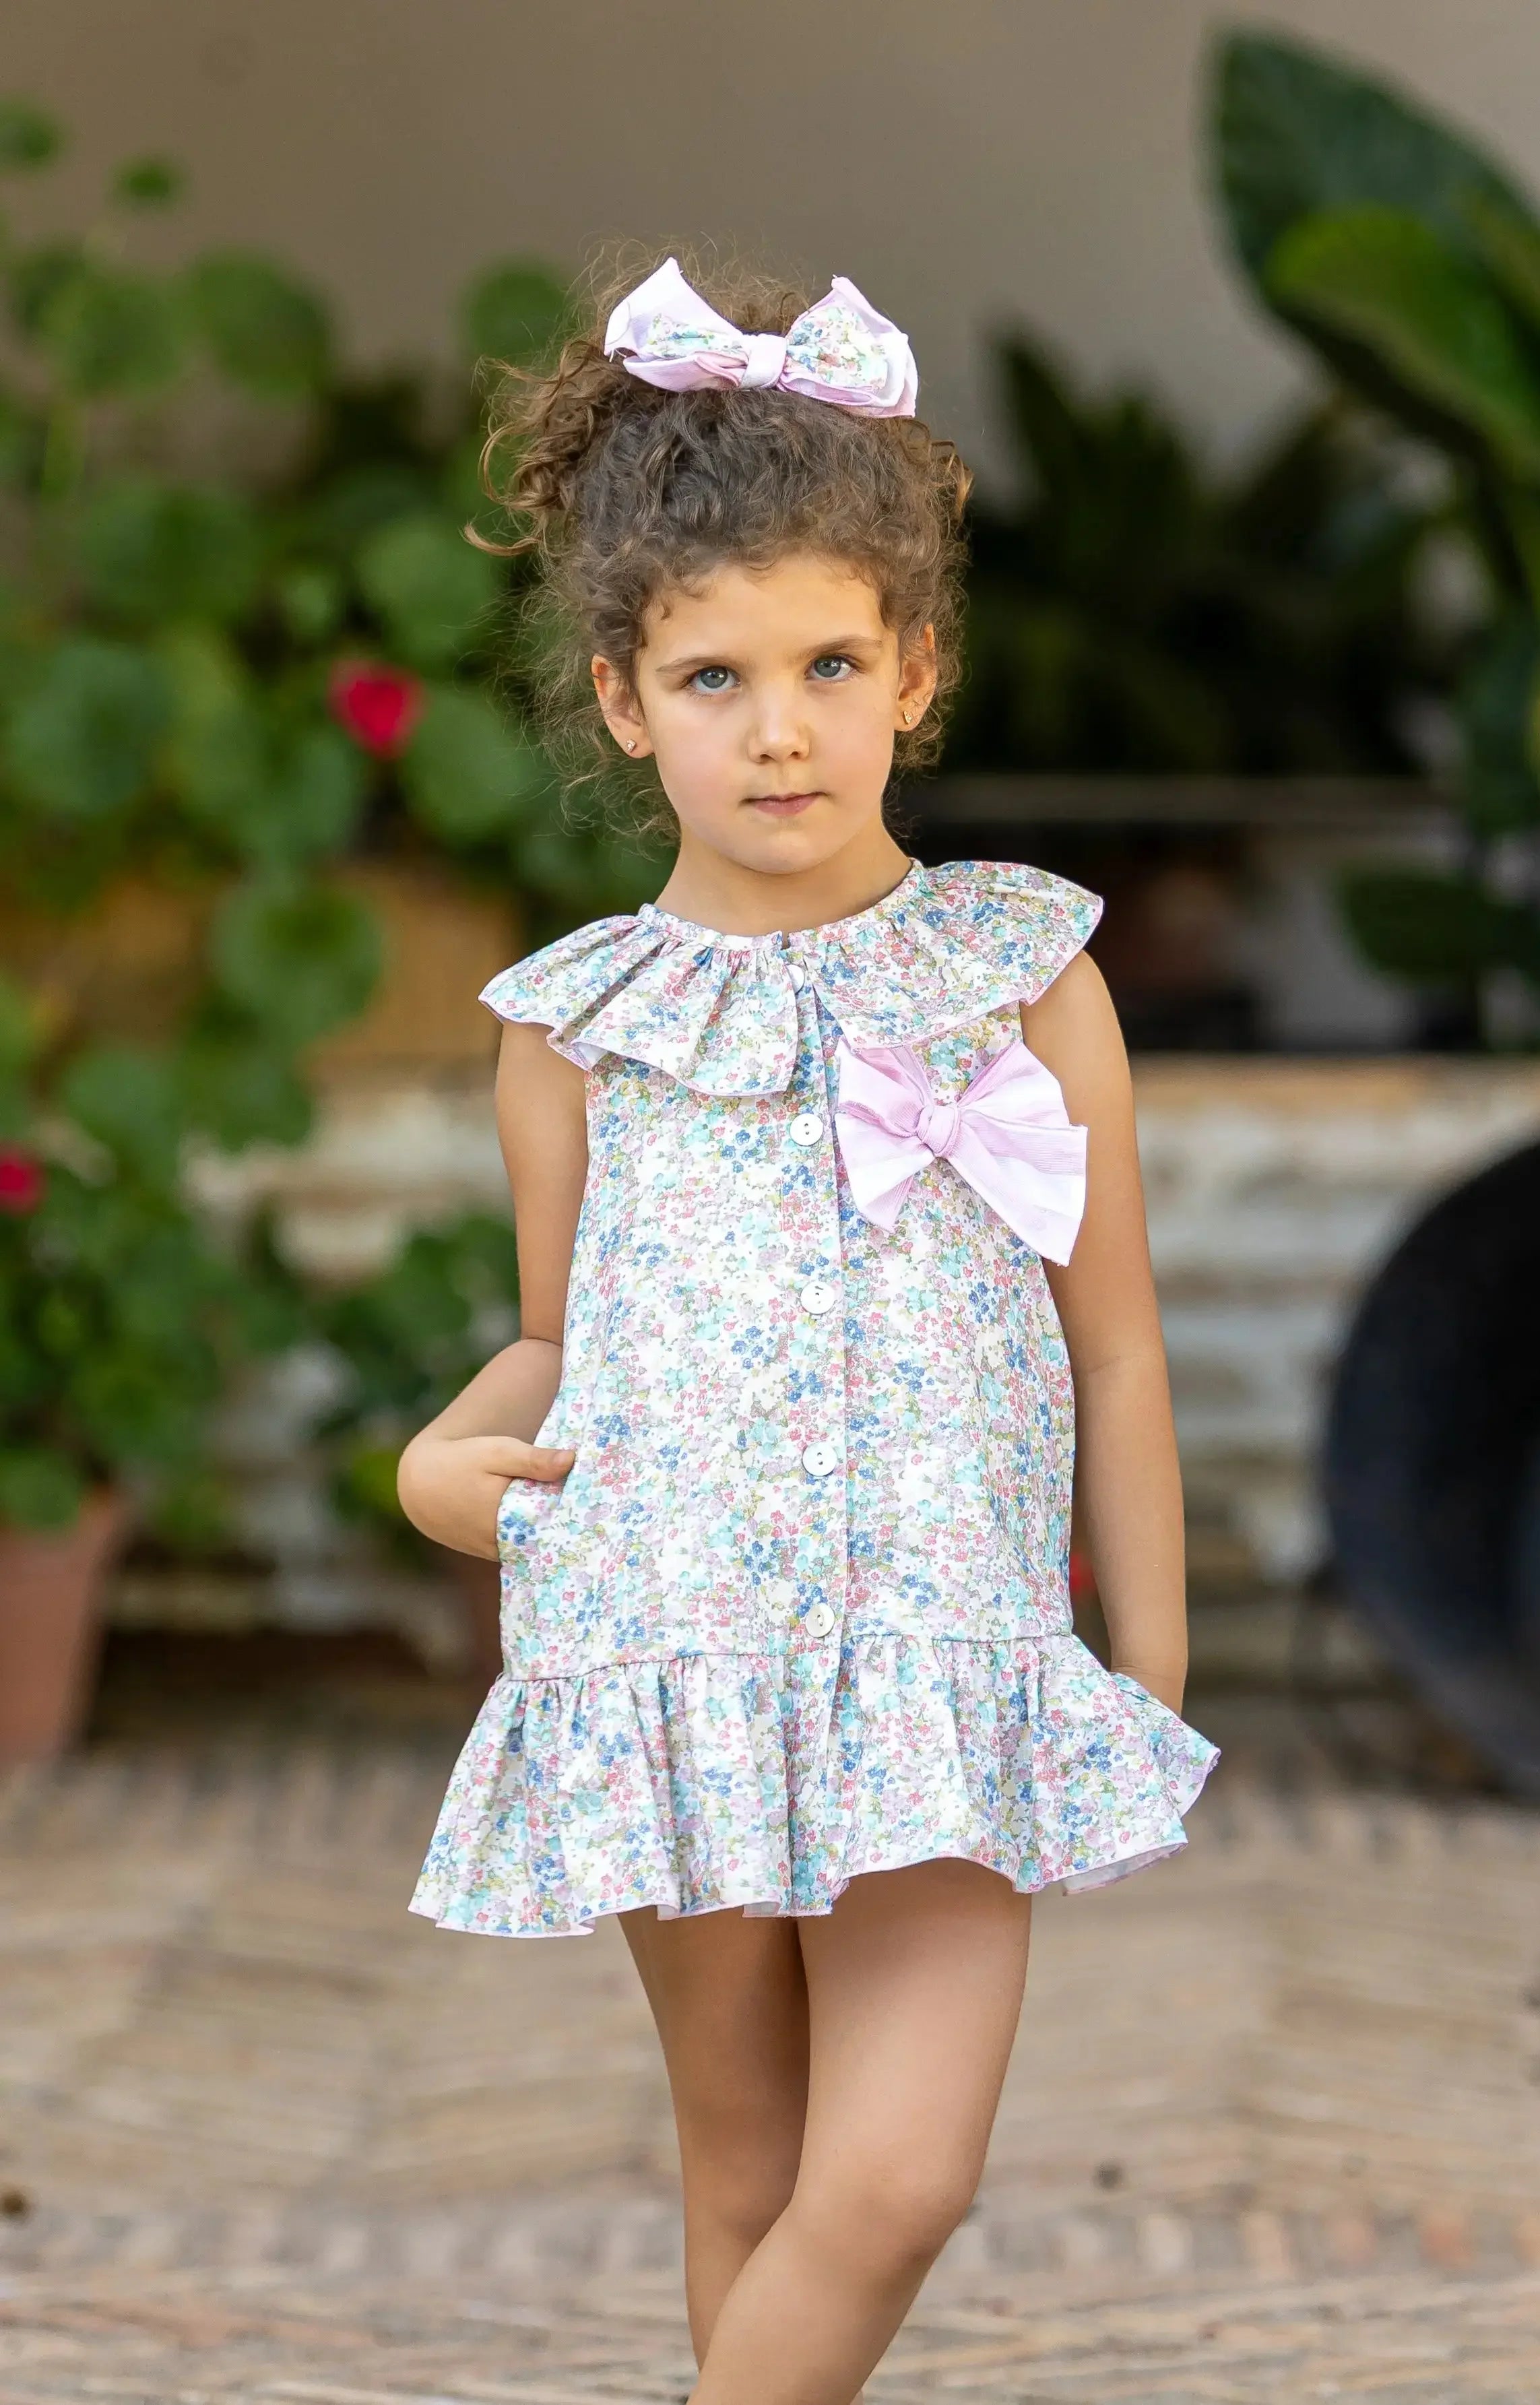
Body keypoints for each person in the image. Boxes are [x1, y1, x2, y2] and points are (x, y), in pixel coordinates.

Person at [399, 253, 1217, 2405]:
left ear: (915, 671)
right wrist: (436, 1461)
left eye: (829, 662)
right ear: (616, 696)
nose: (778, 728)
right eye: (712, 676)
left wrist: (1143, 1666)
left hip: (945, 1662)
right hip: (674, 1647)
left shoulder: (1021, 974)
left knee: (894, 2178)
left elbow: (1112, 1339)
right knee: (748, 2172)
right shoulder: (573, 1032)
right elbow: (552, 1348)